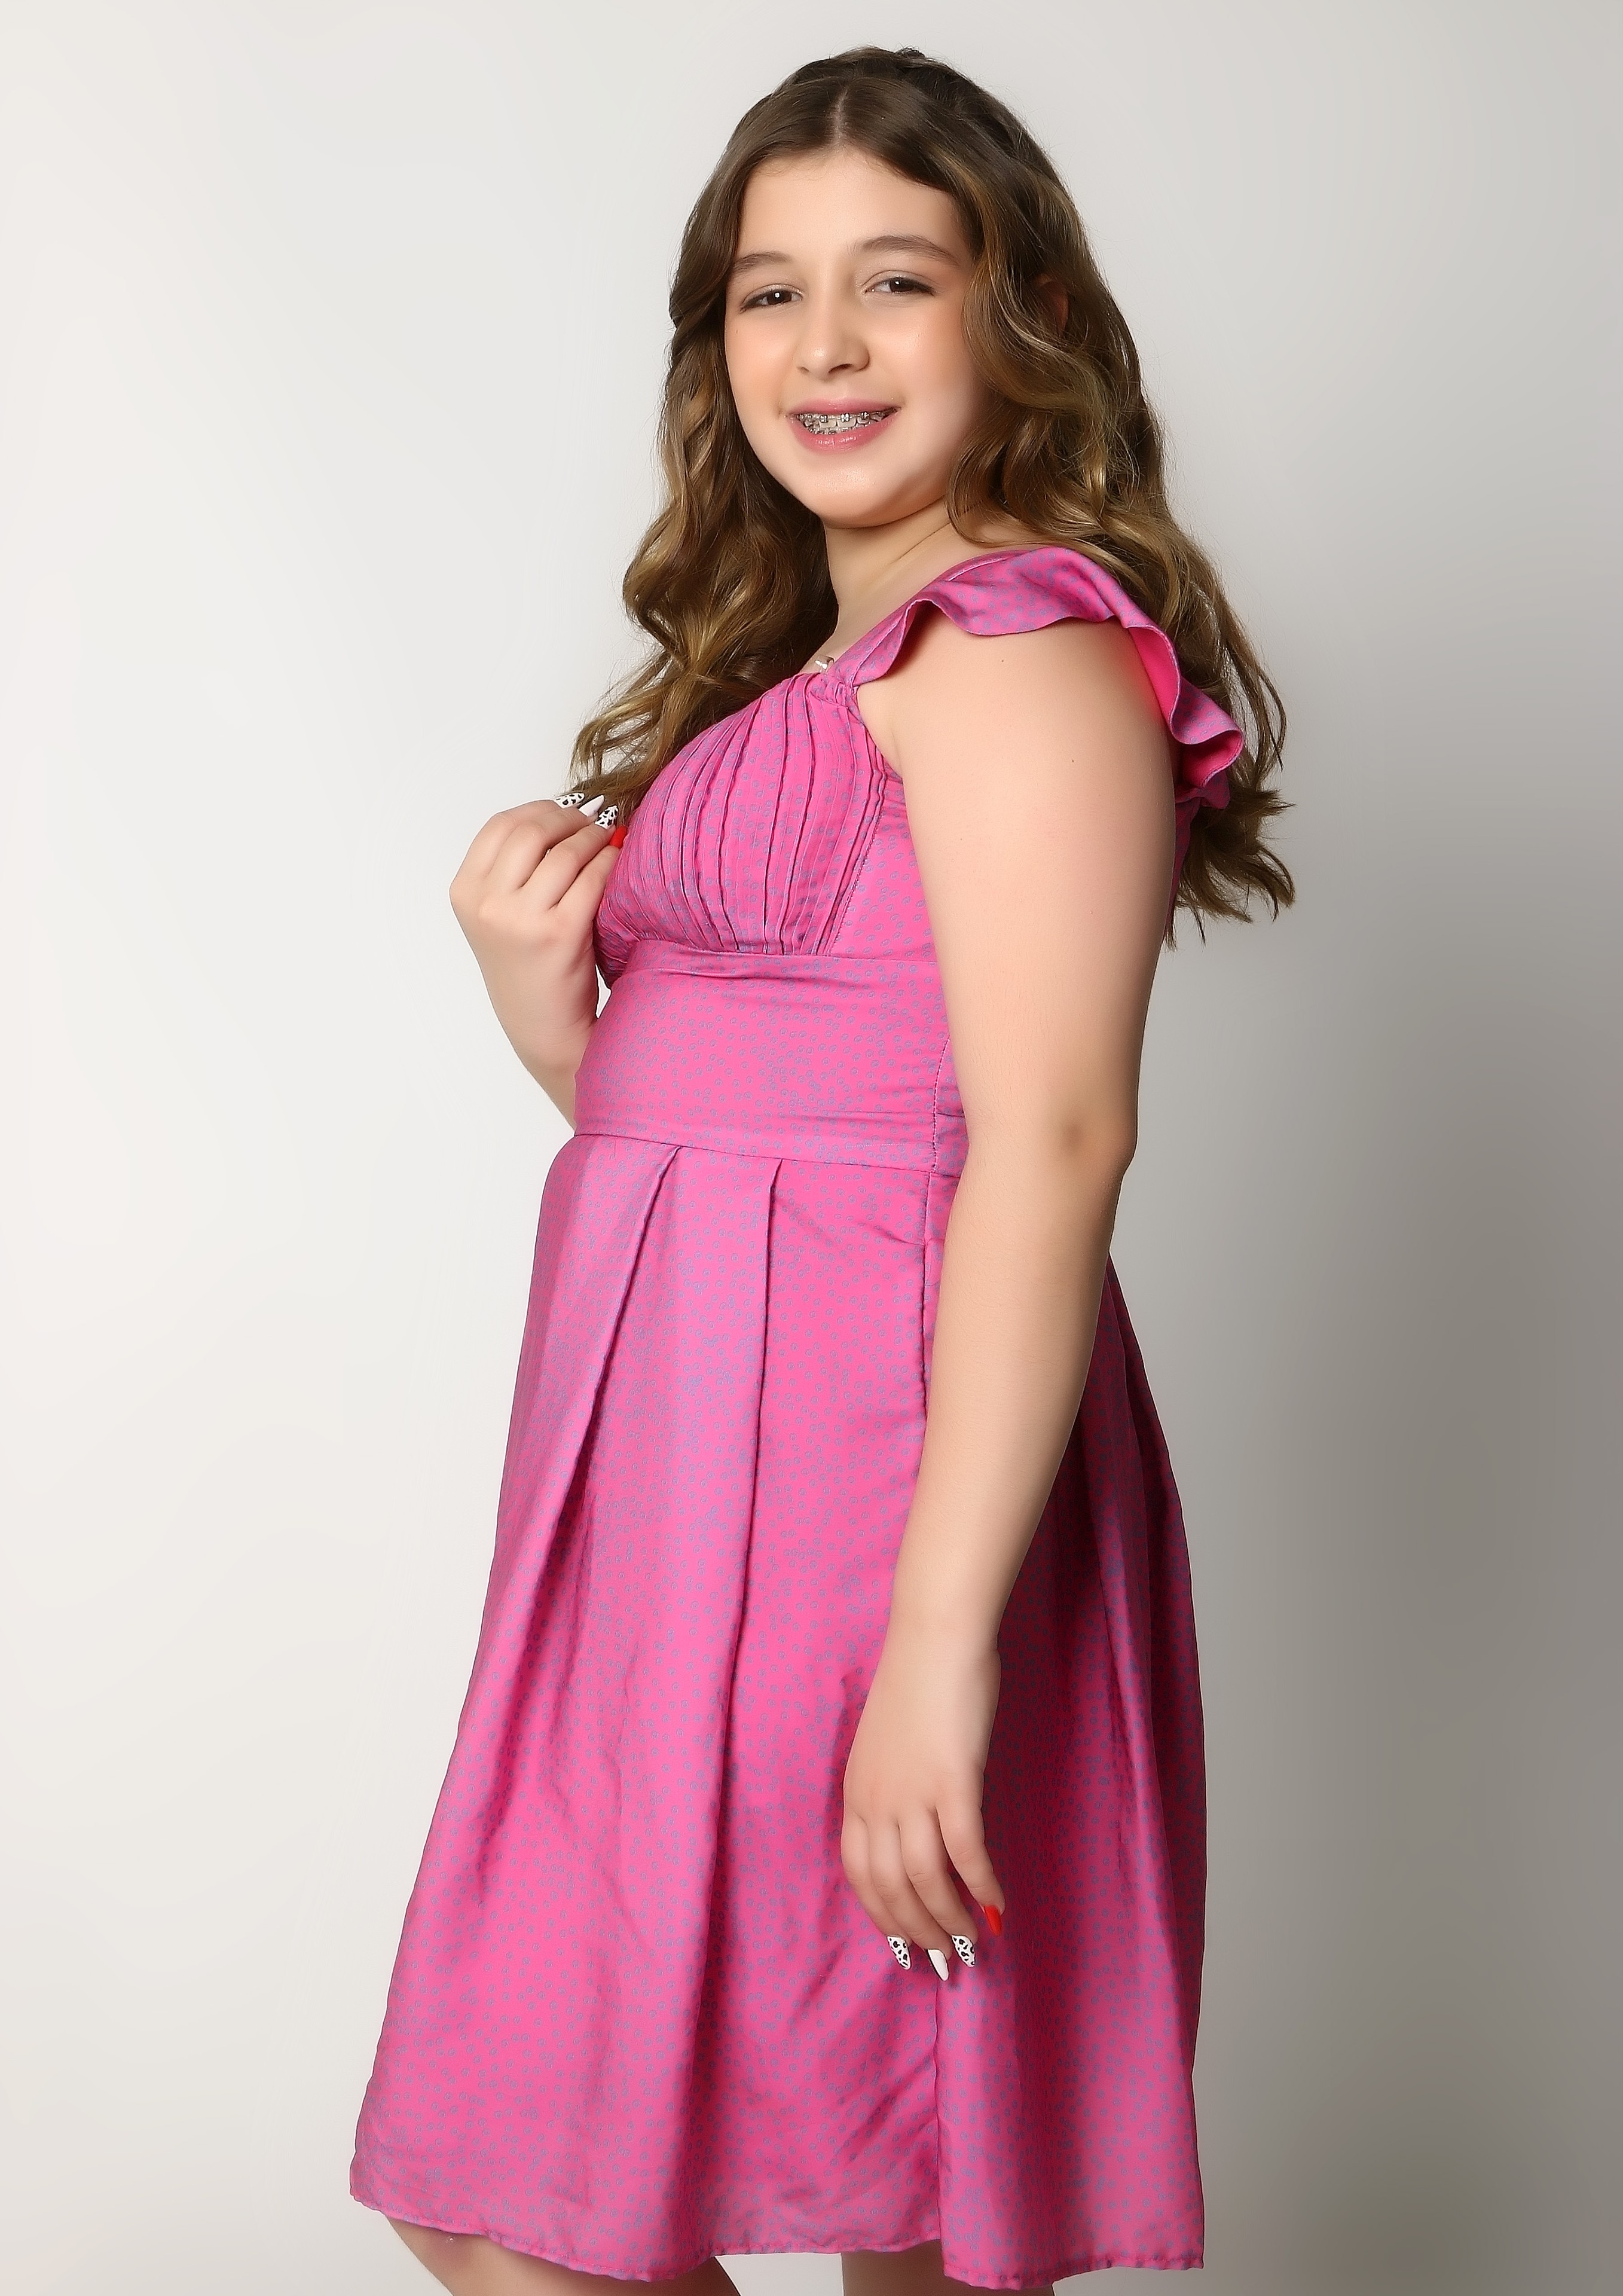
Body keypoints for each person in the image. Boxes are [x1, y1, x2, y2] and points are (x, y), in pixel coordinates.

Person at [351, 44, 1291, 2296]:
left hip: (875, 1488)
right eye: (769, 292)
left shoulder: (1016, 651)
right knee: (600, 2168)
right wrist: (547, 1021)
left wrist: (936, 1650)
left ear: (1018, 309)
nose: (824, 344)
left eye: (895, 278)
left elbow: (1050, 1140)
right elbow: (753, 1141)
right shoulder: (819, 654)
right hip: (691, 1479)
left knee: (878, 2177)